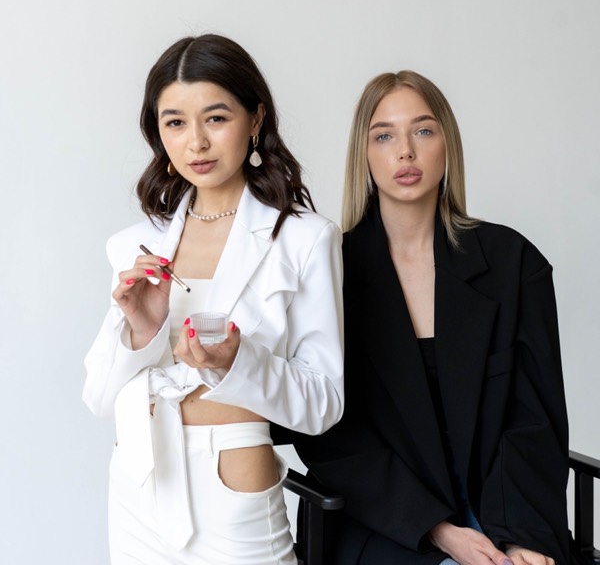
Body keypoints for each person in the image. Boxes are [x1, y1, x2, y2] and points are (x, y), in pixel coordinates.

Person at [83, 34, 344, 565]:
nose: (196, 142)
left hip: (234, 489)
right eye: (175, 122)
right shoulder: (133, 246)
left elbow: (324, 404)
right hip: (136, 484)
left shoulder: (304, 238)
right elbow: (99, 399)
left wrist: (236, 363)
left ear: (255, 119)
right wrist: (141, 332)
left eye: (216, 118)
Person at [293, 71, 570, 564]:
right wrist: (439, 531)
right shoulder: (328, 271)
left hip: (503, 510)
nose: (405, 152)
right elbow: (334, 440)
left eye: (423, 130)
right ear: (364, 155)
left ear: (448, 145)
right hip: (386, 521)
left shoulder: (512, 262)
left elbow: (532, 417)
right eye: (384, 136)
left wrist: (522, 537)